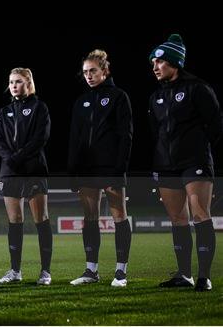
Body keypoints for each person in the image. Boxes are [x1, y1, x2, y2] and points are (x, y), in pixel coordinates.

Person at [148, 34, 222, 291]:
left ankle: (204, 276)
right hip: (166, 164)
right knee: (178, 219)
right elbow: (155, 133)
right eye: (153, 63)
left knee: (200, 214)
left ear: (174, 62)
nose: (155, 67)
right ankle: (184, 275)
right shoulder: (156, 95)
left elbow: (215, 126)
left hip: (195, 161)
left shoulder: (198, 88)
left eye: (159, 62)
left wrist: (198, 150)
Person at [68, 49, 133, 287]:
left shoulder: (119, 97)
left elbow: (125, 136)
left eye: (93, 71)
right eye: (85, 72)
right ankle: (91, 270)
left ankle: (121, 271)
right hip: (86, 169)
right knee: (90, 218)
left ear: (105, 71)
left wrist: (119, 169)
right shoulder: (80, 101)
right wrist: (73, 172)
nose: (88, 75)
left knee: (119, 216)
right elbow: (74, 140)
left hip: (110, 168)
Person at [0, 68, 53, 286]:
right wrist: (10, 159)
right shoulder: (4, 111)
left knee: (40, 219)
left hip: (33, 169)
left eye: (18, 81)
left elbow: (41, 138)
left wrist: (18, 156)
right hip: (10, 171)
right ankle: (15, 271)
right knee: (15, 221)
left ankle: (45, 272)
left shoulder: (40, 107)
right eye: (10, 82)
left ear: (28, 83)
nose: (14, 85)